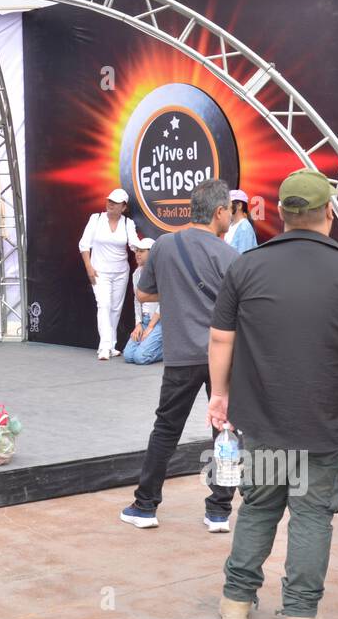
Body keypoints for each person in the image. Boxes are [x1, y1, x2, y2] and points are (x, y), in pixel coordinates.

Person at [212, 169, 338, 619]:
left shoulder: (246, 266)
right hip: (329, 421)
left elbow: (220, 338)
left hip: (264, 420)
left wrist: (219, 394)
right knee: (312, 516)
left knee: (258, 508)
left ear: (280, 214)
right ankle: (299, 617)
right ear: (328, 213)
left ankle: (236, 601)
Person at [120, 180, 239, 532]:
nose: (231, 217)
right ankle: (219, 510)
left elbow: (143, 295)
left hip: (180, 355)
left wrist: (176, 293)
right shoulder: (230, 256)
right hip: (224, 358)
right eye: (229, 211)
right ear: (219, 212)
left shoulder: (165, 246)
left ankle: (145, 506)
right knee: (228, 432)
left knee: (166, 430)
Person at [79, 188, 141, 361]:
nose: (110, 204)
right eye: (109, 201)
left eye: (115, 202)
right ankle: (104, 346)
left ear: (124, 207)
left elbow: (134, 243)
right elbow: (84, 245)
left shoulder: (128, 224)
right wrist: (89, 268)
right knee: (104, 305)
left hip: (121, 272)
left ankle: (111, 345)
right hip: (100, 272)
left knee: (115, 308)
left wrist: (147, 247)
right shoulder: (96, 219)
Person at [121, 238, 162, 365]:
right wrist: (138, 324)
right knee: (128, 356)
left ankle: (171, 350)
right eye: (136, 251)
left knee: (140, 358)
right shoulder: (136, 273)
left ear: (152, 253)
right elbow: (137, 300)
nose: (137, 254)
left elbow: (165, 302)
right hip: (144, 321)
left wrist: (150, 327)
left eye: (142, 251)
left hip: (160, 322)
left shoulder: (161, 273)